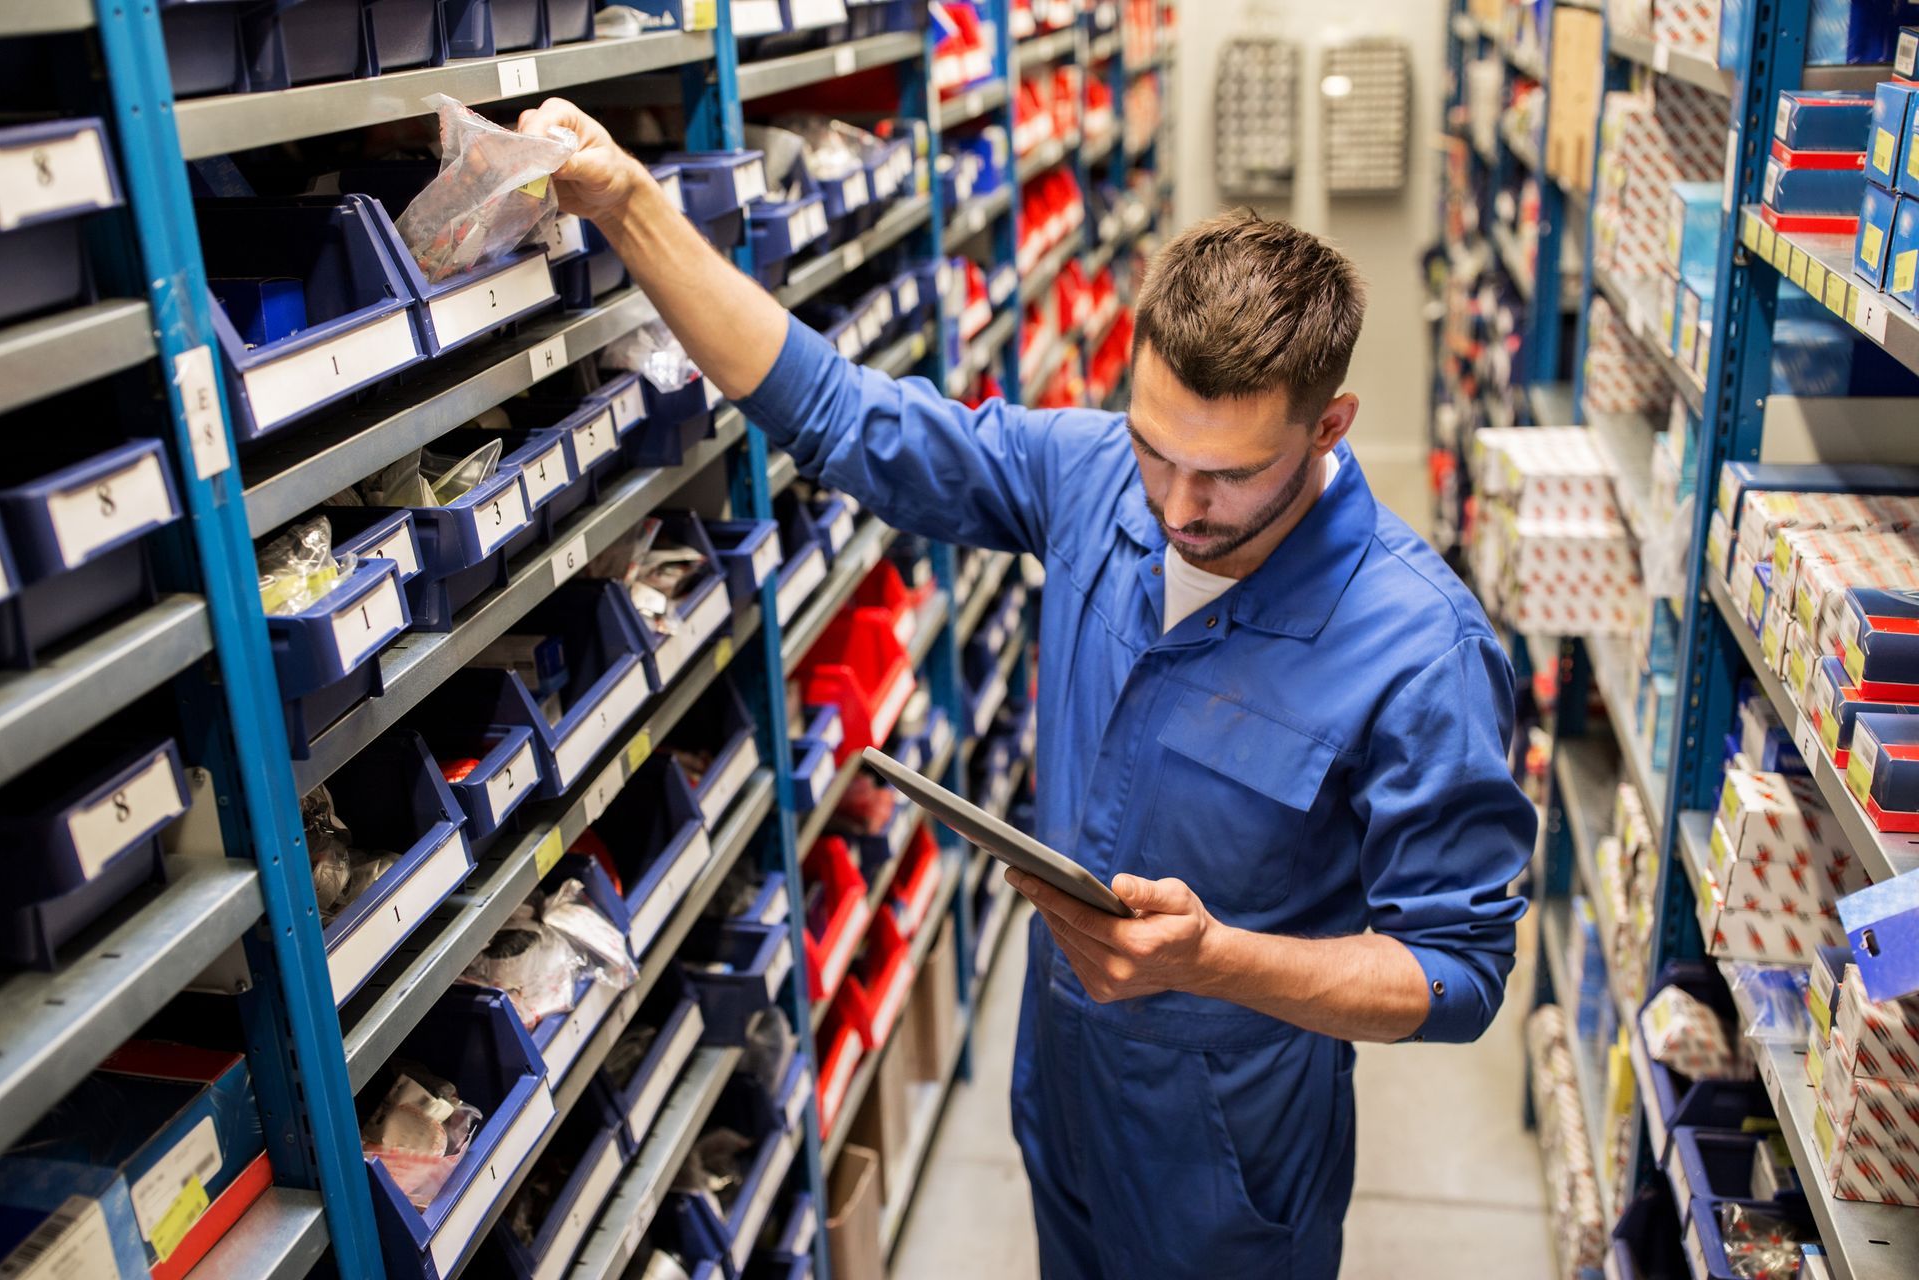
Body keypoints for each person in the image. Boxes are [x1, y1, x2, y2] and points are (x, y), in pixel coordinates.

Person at [515, 99, 1535, 1280]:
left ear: (1329, 428)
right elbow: (841, 414)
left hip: (1229, 1147)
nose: (1175, 508)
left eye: (1229, 474)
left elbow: (1458, 972)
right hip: (1062, 1073)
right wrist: (633, 205)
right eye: (1157, 449)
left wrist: (1217, 959)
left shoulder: (1421, 646)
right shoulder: (1094, 472)